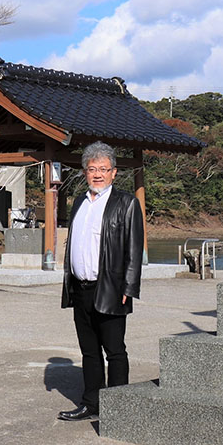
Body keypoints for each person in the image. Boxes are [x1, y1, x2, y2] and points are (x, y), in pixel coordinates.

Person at [56, 141, 144, 422]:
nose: (97, 174)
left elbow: (133, 248)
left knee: (115, 350)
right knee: (89, 351)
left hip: (111, 288)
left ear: (114, 173)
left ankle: (119, 409)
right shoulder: (80, 201)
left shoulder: (126, 202)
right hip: (80, 287)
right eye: (92, 169)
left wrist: (128, 288)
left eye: (103, 169)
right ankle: (91, 403)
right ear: (85, 172)